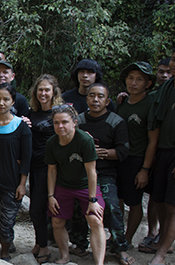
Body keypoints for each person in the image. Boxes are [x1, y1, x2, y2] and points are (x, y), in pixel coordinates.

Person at [71, 83, 132, 265]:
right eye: (91, 96)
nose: (95, 99)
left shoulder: (116, 121)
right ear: (86, 98)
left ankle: (119, 248)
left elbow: (123, 150)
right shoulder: (78, 120)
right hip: (79, 174)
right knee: (77, 207)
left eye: (100, 96)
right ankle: (80, 244)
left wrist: (103, 152)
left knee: (112, 208)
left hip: (105, 174)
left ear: (107, 101)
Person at [146, 43, 175, 265]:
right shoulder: (165, 90)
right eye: (174, 59)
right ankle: (164, 242)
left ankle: (161, 254)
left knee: (174, 205)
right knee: (161, 201)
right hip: (163, 152)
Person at [46, 104, 106, 265]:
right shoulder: (52, 143)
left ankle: (99, 262)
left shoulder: (84, 140)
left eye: (64, 122)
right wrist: (51, 196)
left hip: (86, 186)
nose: (60, 126)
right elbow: (52, 171)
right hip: (63, 185)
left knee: (95, 220)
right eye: (56, 123)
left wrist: (93, 200)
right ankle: (65, 256)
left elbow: (91, 172)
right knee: (57, 221)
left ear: (74, 122)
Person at [0, 83, 32, 261]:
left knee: (6, 224)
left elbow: (26, 158)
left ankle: (5, 253)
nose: (1, 103)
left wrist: (22, 184)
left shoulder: (21, 126)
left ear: (13, 101)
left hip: (12, 184)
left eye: (6, 99)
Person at [115, 62, 156, 248]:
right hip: (118, 159)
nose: (134, 82)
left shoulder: (150, 104)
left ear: (148, 83)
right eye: (131, 78)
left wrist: (145, 169)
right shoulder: (122, 103)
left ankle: (128, 238)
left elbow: (153, 140)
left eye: (139, 79)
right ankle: (117, 236)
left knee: (134, 202)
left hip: (137, 159)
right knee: (119, 199)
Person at [24, 74, 64, 264]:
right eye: (40, 89)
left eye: (47, 89)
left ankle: (45, 246)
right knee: (37, 208)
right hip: (35, 165)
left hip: (52, 167)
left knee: (39, 208)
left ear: (54, 92)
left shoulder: (59, 113)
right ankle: (40, 243)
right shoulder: (32, 112)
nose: (43, 93)